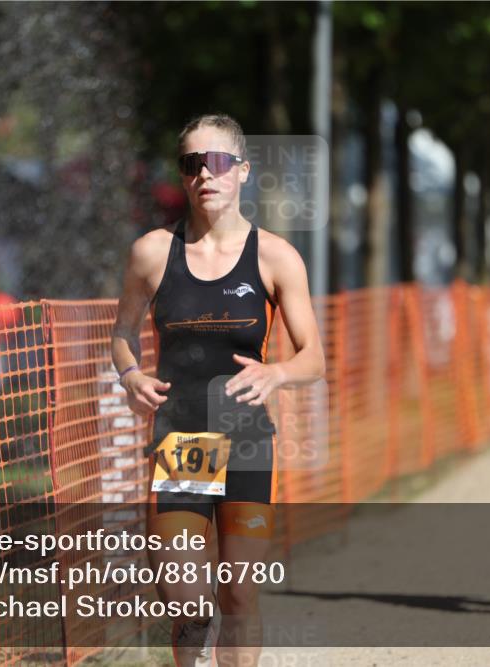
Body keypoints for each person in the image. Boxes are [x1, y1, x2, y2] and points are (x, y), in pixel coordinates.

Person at [112, 114, 325, 665]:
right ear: (183, 176)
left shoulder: (276, 256)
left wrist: (276, 374)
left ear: (243, 172)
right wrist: (131, 374)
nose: (206, 174)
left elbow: (314, 359)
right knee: (184, 598)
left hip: (246, 436)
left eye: (220, 162)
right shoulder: (153, 253)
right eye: (192, 164)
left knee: (236, 593)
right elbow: (122, 336)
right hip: (184, 439)